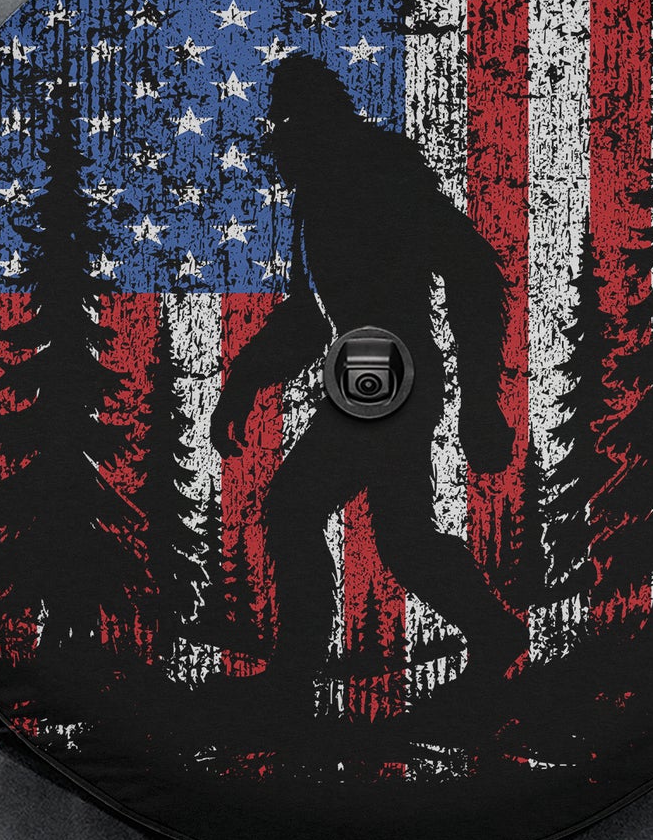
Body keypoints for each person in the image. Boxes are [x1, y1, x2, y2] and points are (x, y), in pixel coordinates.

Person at [211, 55, 527, 700]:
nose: (277, 140)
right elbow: (310, 316)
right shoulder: (318, 197)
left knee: (296, 507)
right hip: (369, 371)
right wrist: (244, 383)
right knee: (402, 538)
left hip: (391, 372)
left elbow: (471, 271)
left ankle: (293, 675)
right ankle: (494, 633)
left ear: (316, 123)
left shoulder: (380, 174)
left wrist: (481, 401)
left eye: (287, 123)